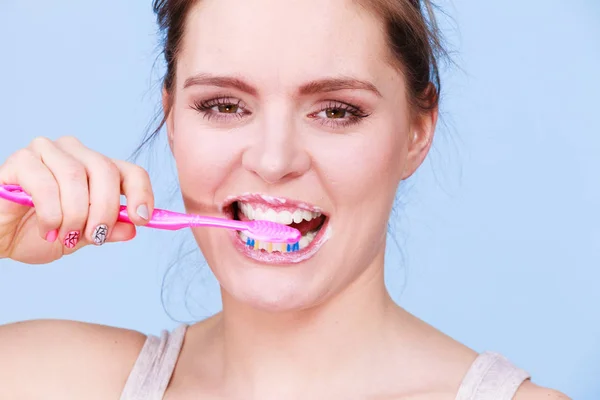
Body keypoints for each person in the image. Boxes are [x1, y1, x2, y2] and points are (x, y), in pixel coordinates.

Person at [0, 0, 570, 399]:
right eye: (224, 105)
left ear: (417, 132)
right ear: (171, 118)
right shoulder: (42, 380)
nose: (273, 161)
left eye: (336, 111)